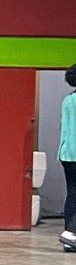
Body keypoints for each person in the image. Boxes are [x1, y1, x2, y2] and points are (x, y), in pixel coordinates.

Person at [60, 64, 76, 253]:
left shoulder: (67, 100)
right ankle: (71, 232)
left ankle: (69, 237)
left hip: (67, 154)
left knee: (72, 192)